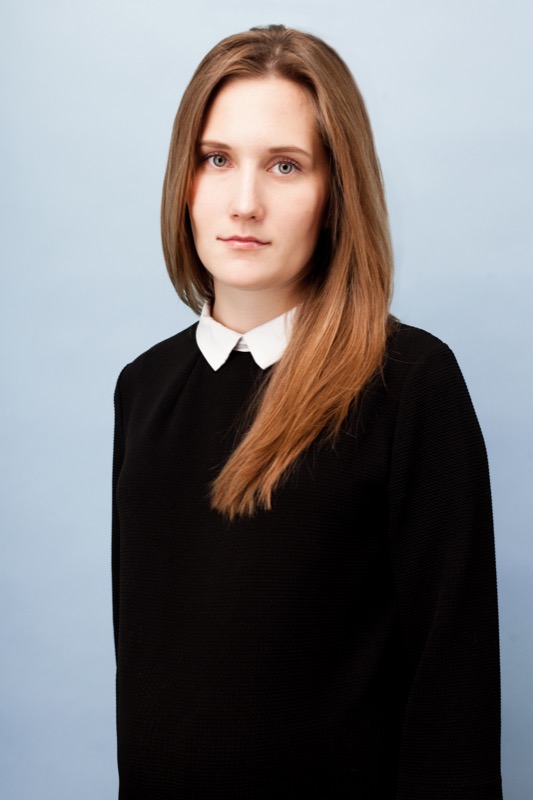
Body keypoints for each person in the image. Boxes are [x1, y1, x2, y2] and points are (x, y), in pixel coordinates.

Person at [112, 24, 502, 799]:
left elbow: (452, 692)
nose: (244, 202)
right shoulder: (143, 388)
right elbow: (149, 679)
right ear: (183, 181)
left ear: (334, 194)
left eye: (284, 165)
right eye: (216, 159)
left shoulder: (408, 384)